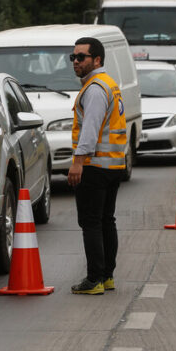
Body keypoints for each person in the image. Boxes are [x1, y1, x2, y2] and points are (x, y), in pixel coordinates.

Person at [67, 37, 128, 295]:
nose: (76, 62)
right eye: (74, 57)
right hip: (113, 165)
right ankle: (107, 275)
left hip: (95, 165)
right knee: (106, 220)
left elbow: (90, 130)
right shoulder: (109, 84)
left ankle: (94, 280)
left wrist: (78, 162)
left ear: (98, 60)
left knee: (91, 222)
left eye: (81, 57)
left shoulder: (94, 89)